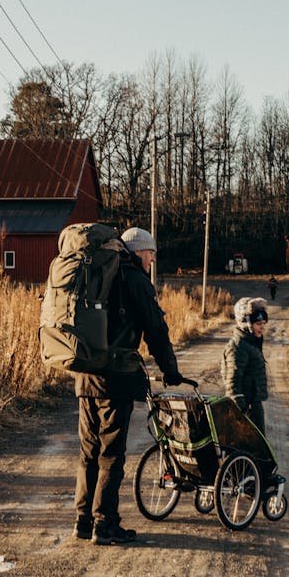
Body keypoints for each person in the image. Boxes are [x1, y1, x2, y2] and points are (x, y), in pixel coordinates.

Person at [71, 227, 184, 546]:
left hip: (85, 375)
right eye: (151, 254)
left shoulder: (97, 272)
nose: (153, 260)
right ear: (138, 253)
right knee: (111, 454)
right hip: (115, 379)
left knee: (88, 452)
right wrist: (170, 370)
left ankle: (83, 520)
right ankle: (105, 524)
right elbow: (156, 330)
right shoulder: (135, 280)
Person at [221, 297, 269, 431]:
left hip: (253, 404)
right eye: (258, 324)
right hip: (246, 407)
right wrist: (242, 412)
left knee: (259, 447)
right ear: (246, 324)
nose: (262, 328)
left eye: (264, 323)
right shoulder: (238, 347)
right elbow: (232, 382)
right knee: (252, 448)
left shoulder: (250, 343)